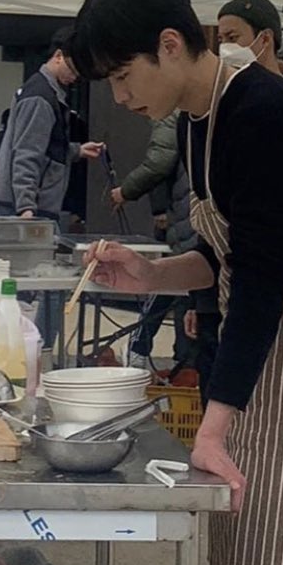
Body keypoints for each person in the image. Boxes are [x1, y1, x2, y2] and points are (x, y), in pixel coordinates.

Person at [72, 0, 283, 565]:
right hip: (257, 354)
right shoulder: (194, 115)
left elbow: (264, 281)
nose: (119, 98)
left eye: (124, 76)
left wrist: (211, 428)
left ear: (170, 45)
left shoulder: (263, 112)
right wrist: (151, 274)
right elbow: (220, 254)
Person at [109, 113, 201, 371]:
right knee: (180, 287)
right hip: (185, 216)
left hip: (188, 217)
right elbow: (161, 164)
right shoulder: (179, 115)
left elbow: (160, 163)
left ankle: (178, 362)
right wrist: (157, 207)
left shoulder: (174, 114)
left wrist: (127, 191)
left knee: (180, 287)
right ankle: (167, 358)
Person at [0, 26, 104, 221]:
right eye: (73, 69)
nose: (75, 77)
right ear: (58, 56)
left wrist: (77, 150)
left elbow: (45, 148)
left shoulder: (42, 91)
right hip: (27, 205)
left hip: (25, 200)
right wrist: (26, 207)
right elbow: (27, 153)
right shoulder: (40, 98)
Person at [216, 0, 283, 74]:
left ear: (265, 39)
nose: (224, 48)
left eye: (232, 38)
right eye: (220, 40)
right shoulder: (228, 86)